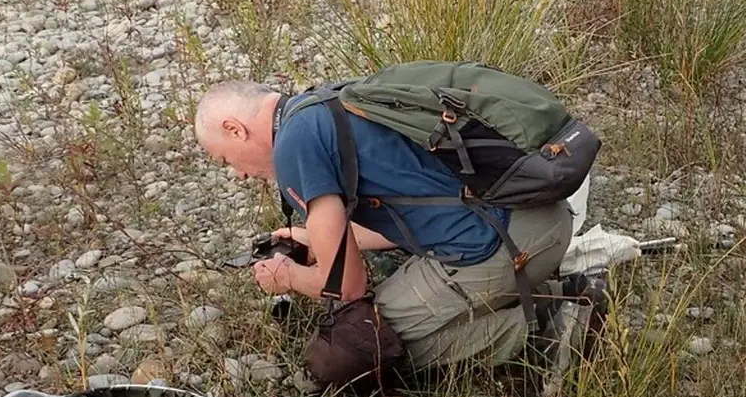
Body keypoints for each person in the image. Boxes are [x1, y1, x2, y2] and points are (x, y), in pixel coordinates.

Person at [192, 78, 584, 378]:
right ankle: (562, 295)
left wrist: (290, 276)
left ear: (235, 129)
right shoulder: (328, 102)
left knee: (360, 350)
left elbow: (347, 289)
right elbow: (400, 211)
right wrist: (317, 239)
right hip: (541, 214)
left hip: (503, 242)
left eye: (226, 160)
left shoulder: (292, 146)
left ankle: (556, 328)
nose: (240, 174)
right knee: (374, 331)